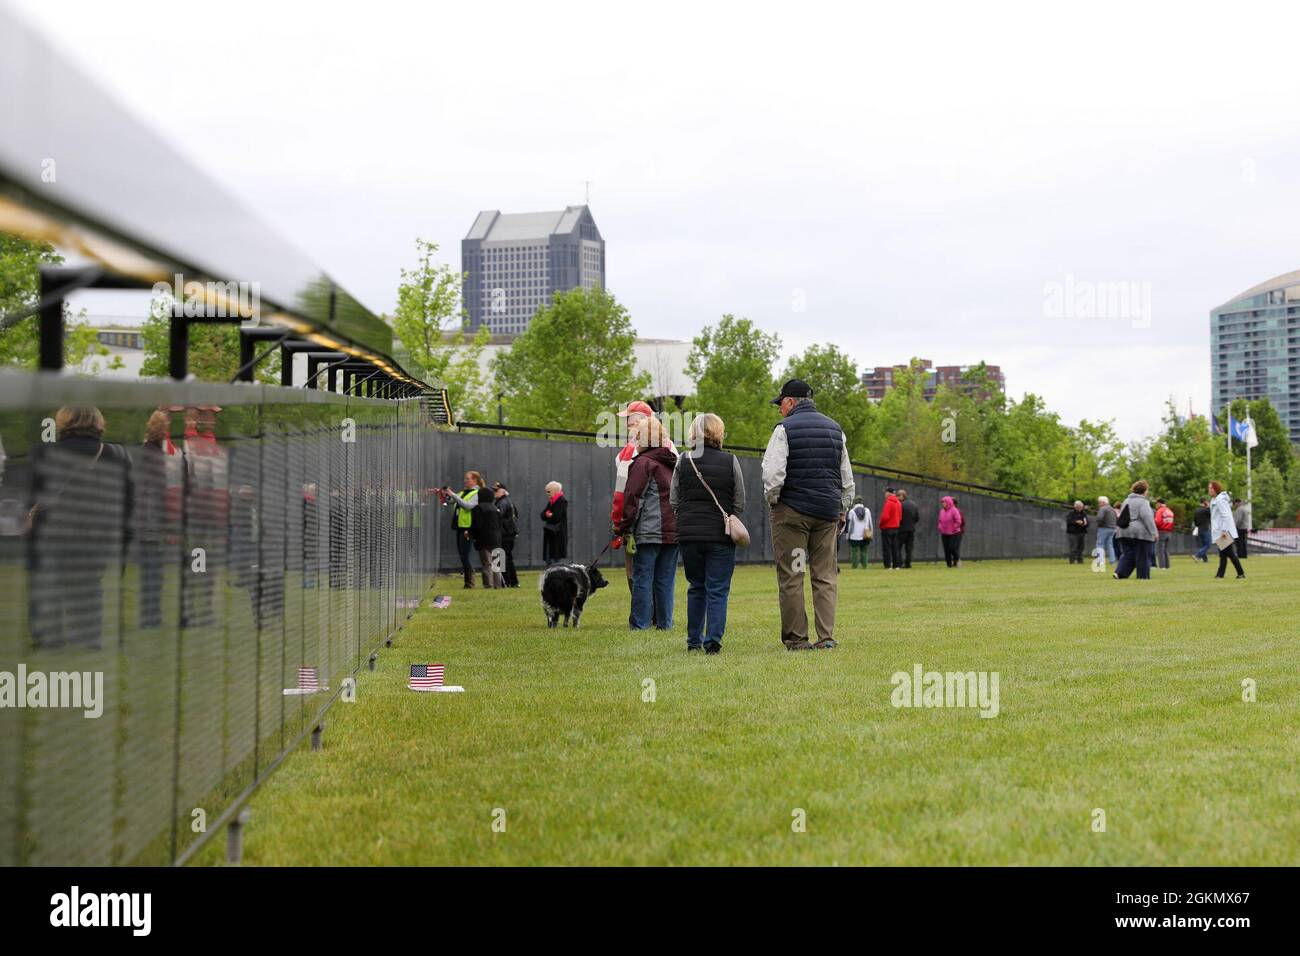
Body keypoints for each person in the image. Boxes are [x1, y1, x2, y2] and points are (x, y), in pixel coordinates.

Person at [28, 406, 133, 649]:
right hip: (96, 535)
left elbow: (33, 499)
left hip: (52, 534)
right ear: (98, 423)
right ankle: (87, 639)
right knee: (88, 587)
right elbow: (127, 504)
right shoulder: (116, 455)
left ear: (63, 423)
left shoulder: (44, 453)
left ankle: (47, 639)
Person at [761, 379, 855, 650]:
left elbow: (773, 472)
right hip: (826, 513)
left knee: (792, 574)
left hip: (792, 512)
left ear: (790, 402)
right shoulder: (835, 429)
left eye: (780, 404)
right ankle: (826, 638)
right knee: (825, 576)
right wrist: (842, 507)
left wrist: (774, 500)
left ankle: (797, 639)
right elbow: (845, 474)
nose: (780, 410)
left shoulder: (784, 429)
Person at [670, 412, 744, 653]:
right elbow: (739, 501)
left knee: (696, 586)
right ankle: (712, 642)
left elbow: (673, 499)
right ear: (719, 433)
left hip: (689, 535)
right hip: (720, 535)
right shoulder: (731, 461)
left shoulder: (682, 460)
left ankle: (693, 642)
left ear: (694, 433)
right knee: (718, 589)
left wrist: (688, 518)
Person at [611, 401, 676, 622]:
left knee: (639, 576)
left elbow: (627, 496)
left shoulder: (635, 456)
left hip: (646, 527)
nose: (628, 425)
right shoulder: (673, 454)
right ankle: (663, 621)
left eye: (630, 420)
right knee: (665, 578)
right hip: (672, 528)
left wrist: (621, 525)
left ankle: (641, 621)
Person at [136, 409, 175, 628]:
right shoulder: (156, 456)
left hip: (145, 520)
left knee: (149, 571)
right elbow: (156, 492)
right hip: (153, 521)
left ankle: (149, 615)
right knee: (154, 571)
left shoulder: (145, 452)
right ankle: (151, 616)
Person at [445, 471, 486, 588]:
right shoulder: (463, 492)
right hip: (459, 526)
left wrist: (453, 494)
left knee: (465, 555)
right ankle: (468, 582)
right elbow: (450, 501)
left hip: (467, 528)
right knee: (462, 555)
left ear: (475, 480)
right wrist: (446, 494)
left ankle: (470, 582)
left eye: (468, 479)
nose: (465, 481)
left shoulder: (477, 493)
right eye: (465, 479)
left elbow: (467, 506)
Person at [1114, 480, 1157, 579]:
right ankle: (1143, 576)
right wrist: (1154, 532)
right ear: (1144, 491)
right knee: (1143, 555)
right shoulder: (1143, 502)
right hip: (1139, 533)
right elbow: (1147, 517)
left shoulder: (1126, 500)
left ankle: (1120, 573)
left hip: (1123, 531)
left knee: (1129, 554)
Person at [1210, 480, 1245, 579]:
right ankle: (1220, 575)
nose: (1209, 490)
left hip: (1223, 531)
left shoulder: (1219, 500)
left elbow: (1225, 516)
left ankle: (1240, 573)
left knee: (1229, 553)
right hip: (1221, 530)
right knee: (1223, 554)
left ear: (1216, 489)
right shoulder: (1215, 500)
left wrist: (1224, 531)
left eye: (1211, 488)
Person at [493, 482, 520, 587]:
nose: (494, 492)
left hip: (505, 534)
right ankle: (512, 581)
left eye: (496, 490)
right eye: (494, 490)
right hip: (509, 533)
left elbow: (498, 516)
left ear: (503, 491)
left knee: (503, 558)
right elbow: (516, 516)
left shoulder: (502, 502)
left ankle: (507, 581)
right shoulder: (508, 501)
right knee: (507, 557)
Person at [540, 481, 568, 566]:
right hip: (550, 533)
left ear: (555, 491)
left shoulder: (561, 501)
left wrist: (548, 514)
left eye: (548, 491)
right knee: (549, 558)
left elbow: (556, 517)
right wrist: (548, 514)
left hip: (557, 534)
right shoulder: (552, 501)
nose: (547, 493)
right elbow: (542, 515)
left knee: (556, 559)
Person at [843, 495, 872, 569]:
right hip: (865, 534)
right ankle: (864, 566)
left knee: (854, 551)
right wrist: (871, 532)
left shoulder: (852, 511)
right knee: (864, 551)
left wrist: (848, 535)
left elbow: (850, 525)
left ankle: (855, 566)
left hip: (854, 535)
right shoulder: (867, 510)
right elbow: (870, 523)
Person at [879, 487, 902, 570]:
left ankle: (888, 565)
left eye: (885, 493)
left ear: (888, 493)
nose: (885, 494)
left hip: (887, 527)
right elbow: (900, 516)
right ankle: (897, 565)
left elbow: (885, 516)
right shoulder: (898, 503)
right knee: (895, 547)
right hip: (896, 527)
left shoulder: (888, 502)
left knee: (887, 547)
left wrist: (881, 524)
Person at [938, 495, 964, 567]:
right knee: (946, 549)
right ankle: (949, 565)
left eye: (944, 502)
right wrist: (940, 527)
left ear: (948, 502)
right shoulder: (941, 511)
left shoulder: (954, 510)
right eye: (942, 502)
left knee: (952, 548)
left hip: (954, 533)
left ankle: (958, 559)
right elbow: (940, 521)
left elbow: (958, 521)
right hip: (944, 533)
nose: (943, 504)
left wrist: (953, 528)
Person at [897, 488, 920, 568]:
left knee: (898, 547)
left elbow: (899, 517)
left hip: (902, 529)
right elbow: (917, 518)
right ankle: (908, 563)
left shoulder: (900, 505)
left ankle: (899, 563)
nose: (897, 498)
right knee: (909, 548)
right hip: (911, 529)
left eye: (897, 496)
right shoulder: (914, 504)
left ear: (902, 496)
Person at [1094, 496, 1117, 566]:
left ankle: (1100, 562)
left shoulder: (1103, 509)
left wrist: (1099, 524)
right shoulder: (1112, 509)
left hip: (1104, 528)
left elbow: (1099, 518)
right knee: (1110, 545)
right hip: (1112, 528)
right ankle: (1112, 561)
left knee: (1100, 544)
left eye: (1099, 502)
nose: (1099, 504)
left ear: (1103, 502)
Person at [1153, 498, 1175, 570]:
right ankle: (1167, 566)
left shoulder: (1160, 510)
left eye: (1156, 504)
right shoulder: (1169, 511)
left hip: (1161, 531)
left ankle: (1162, 566)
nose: (1155, 506)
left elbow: (1158, 521)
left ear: (1159, 503)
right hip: (1169, 531)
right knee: (1166, 550)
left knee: (1160, 550)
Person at [1191, 497, 1212, 562]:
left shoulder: (1197, 510)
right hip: (1205, 528)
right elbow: (1211, 515)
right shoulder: (1206, 510)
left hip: (1199, 529)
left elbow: (1195, 521)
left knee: (1203, 544)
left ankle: (1205, 559)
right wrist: (1208, 506)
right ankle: (1197, 555)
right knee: (1208, 544)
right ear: (1205, 502)